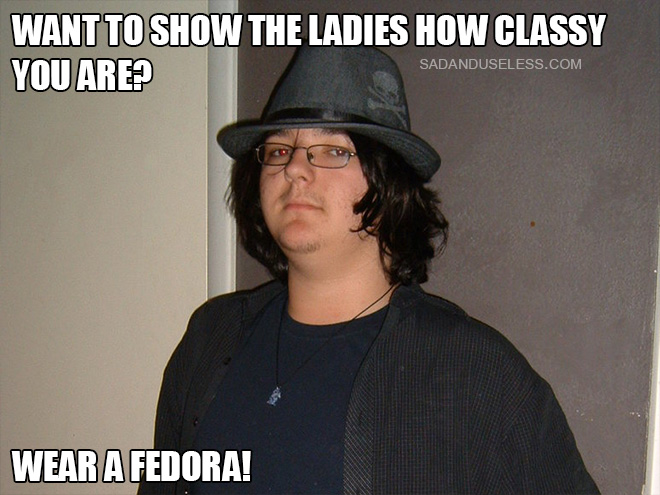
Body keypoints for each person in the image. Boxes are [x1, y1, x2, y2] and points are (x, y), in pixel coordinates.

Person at [139, 44, 599, 495]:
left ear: (389, 181)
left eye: (332, 150)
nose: (294, 168)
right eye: (278, 150)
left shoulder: (476, 372)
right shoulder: (210, 339)